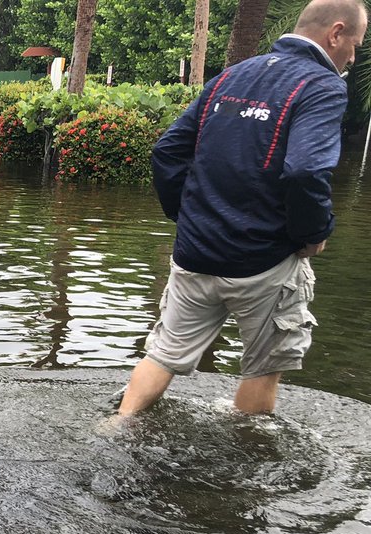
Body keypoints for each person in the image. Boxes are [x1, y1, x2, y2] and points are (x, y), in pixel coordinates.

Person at [117, 0, 368, 417]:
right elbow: (305, 172)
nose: (354, 56)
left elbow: (166, 153)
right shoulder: (322, 85)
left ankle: (116, 426)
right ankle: (247, 467)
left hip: (195, 255)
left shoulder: (232, 74)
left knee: (162, 357)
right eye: (356, 44)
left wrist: (189, 218)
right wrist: (312, 233)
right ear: (336, 34)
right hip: (263, 262)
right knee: (263, 369)